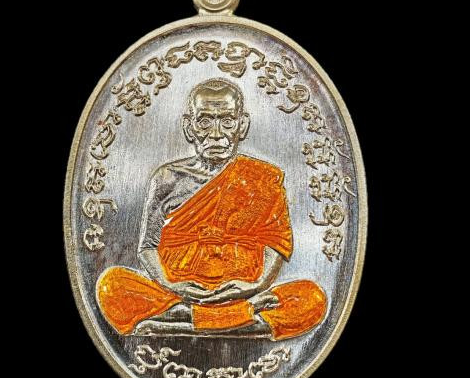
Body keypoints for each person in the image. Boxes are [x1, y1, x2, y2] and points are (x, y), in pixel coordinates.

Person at [97, 78, 326, 340]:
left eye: (227, 121)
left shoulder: (263, 178)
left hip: (243, 291)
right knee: (111, 286)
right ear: (189, 127)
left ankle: (180, 322)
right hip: (179, 292)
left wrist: (256, 285)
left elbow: (276, 243)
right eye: (205, 121)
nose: (216, 134)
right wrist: (171, 284)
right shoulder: (167, 178)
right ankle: (242, 321)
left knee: (311, 298)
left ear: (242, 125)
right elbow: (147, 247)